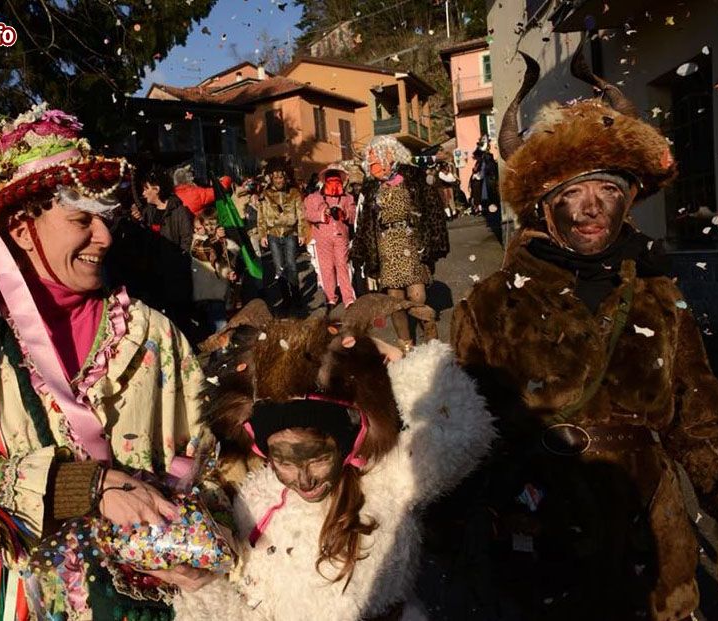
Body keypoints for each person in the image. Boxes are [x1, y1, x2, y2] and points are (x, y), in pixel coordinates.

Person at [446, 49, 718, 620]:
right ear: (542, 205)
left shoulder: (660, 296)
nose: (591, 208)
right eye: (570, 191)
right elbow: (462, 437)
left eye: (609, 189)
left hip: (652, 549)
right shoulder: (491, 304)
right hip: (538, 551)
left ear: (630, 198)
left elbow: (702, 416)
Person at [0, 104, 212, 620]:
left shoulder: (153, 335)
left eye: (106, 219)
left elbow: (210, 455)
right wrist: (81, 486)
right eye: (81, 220)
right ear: (23, 230)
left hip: (148, 606)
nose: (106, 236)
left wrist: (196, 537)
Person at [172, 295, 495, 620]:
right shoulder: (254, 501)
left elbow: (466, 429)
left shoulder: (386, 480)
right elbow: (251, 607)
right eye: (284, 461)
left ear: (346, 443)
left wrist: (385, 369)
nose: (304, 478)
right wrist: (202, 586)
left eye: (316, 457)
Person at [351, 135, 450, 351]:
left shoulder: (414, 176)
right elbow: (365, 223)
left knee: (417, 294)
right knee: (394, 301)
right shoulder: (370, 188)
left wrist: (435, 240)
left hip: (412, 241)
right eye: (373, 159)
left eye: (380, 156)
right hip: (386, 245)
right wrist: (359, 251)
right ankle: (407, 346)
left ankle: (431, 337)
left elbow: (433, 209)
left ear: (392, 154)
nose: (376, 163)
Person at [128, 168, 195, 334]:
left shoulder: (178, 210)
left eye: (146, 188)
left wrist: (180, 261)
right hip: (155, 271)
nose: (144, 193)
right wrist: (138, 222)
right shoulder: (148, 211)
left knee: (179, 313)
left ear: (156, 189)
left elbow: (187, 239)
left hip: (175, 272)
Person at [256, 158, 307, 313]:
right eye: (276, 177)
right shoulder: (265, 195)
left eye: (281, 177)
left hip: (290, 233)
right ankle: (285, 299)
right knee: (279, 268)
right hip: (273, 235)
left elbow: (301, 214)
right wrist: (263, 234)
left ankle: (296, 297)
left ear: (285, 178)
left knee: (291, 266)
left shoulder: (294, 193)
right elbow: (261, 216)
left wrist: (302, 232)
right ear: (272, 178)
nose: (278, 180)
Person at [304, 163, 357, 312]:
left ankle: (348, 298)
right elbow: (307, 215)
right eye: (330, 177)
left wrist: (344, 213)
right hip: (322, 238)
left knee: (342, 265)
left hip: (341, 237)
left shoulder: (348, 198)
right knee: (326, 268)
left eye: (337, 177)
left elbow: (353, 217)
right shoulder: (314, 197)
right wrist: (322, 214)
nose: (334, 181)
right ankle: (331, 298)